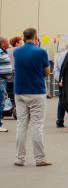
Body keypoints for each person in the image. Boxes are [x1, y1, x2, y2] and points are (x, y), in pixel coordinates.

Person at [13, 28, 51, 167]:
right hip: (36, 91)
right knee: (37, 125)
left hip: (20, 91)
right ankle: (39, 158)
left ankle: (19, 158)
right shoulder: (41, 52)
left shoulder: (16, 51)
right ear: (36, 37)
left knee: (21, 125)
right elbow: (47, 72)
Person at [53, 39, 68, 128]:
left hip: (62, 81)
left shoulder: (59, 55)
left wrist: (60, 80)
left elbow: (56, 69)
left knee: (61, 101)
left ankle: (59, 121)